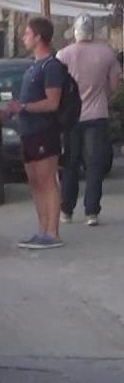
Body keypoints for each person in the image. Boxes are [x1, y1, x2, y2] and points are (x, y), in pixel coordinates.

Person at [5, 17, 65, 249]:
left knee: (47, 180)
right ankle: (42, 229)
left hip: (44, 130)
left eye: (28, 33)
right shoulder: (33, 66)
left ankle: (53, 232)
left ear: (39, 37)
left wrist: (24, 107)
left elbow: (53, 102)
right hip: (28, 130)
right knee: (34, 181)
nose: (24, 37)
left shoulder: (51, 66)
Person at [57, 15, 122, 226]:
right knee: (95, 165)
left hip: (72, 117)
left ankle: (66, 210)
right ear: (93, 30)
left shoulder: (64, 55)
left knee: (70, 164)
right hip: (97, 115)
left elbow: (56, 87)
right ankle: (91, 212)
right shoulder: (107, 53)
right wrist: (103, 96)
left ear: (75, 31)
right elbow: (114, 85)